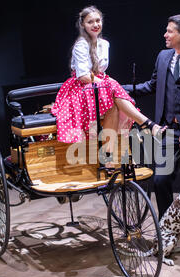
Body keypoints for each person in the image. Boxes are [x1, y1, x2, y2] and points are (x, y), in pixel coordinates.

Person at [124, 14, 180, 246]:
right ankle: (170, 228)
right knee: (161, 182)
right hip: (167, 132)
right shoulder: (163, 57)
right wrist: (117, 90)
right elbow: (153, 85)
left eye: (169, 31)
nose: (165, 35)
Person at [51, 5, 165, 170]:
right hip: (80, 89)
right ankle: (148, 124)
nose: (95, 24)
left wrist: (105, 82)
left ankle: (108, 155)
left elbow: (102, 71)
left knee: (113, 107)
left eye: (98, 20)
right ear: (83, 25)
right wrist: (105, 83)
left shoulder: (104, 44)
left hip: (99, 86)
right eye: (90, 22)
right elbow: (83, 77)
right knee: (111, 85)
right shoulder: (81, 45)